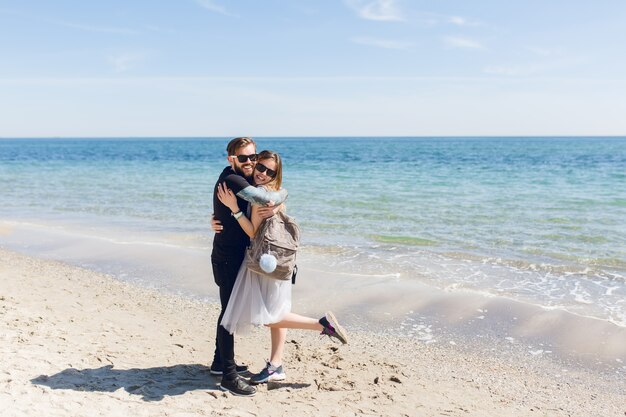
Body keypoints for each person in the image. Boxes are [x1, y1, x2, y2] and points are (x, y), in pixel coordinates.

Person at [216, 149, 348, 385]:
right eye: (261, 167)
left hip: (264, 263)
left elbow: (253, 231)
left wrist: (234, 209)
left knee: (266, 317)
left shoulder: (262, 197)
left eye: (269, 171)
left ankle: (321, 324)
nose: (263, 173)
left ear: (276, 174)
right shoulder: (273, 193)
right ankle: (276, 365)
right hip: (280, 260)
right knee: (278, 311)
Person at [210, 137, 288, 397]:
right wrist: (283, 193)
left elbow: (259, 196)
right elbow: (259, 196)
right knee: (228, 314)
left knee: (227, 310)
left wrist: (221, 215)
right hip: (228, 257)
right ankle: (229, 377)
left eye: (252, 157)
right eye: (243, 158)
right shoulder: (232, 180)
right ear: (230, 158)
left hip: (229, 253)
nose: (250, 163)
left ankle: (220, 363)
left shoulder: (239, 178)